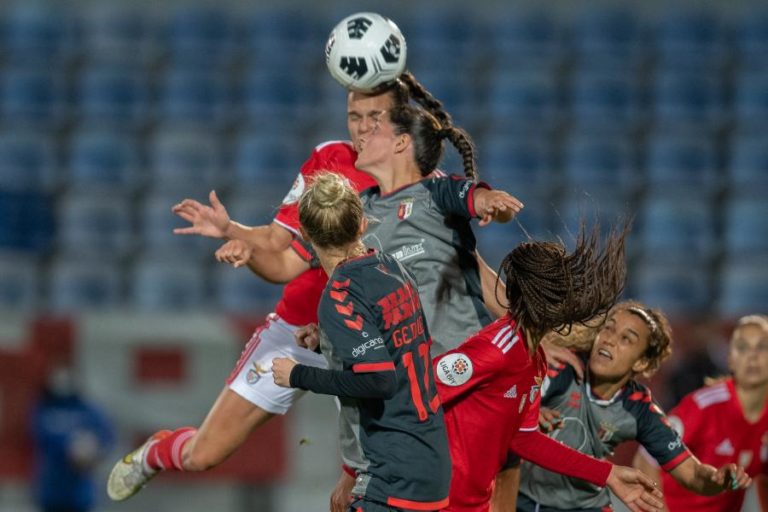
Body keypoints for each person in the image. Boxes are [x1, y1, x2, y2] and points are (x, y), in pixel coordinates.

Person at [105, 72, 522, 506]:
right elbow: (284, 256)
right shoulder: (334, 161)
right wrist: (238, 235)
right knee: (203, 454)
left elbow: (474, 270)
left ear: (398, 132)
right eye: (353, 116)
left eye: (373, 118)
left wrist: (531, 325)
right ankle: (159, 451)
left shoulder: (427, 188)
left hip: (363, 337)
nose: (361, 128)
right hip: (303, 329)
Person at [430, 224, 666, 512]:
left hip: (472, 505)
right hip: (433, 503)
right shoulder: (497, 349)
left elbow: (524, 439)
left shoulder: (535, 359)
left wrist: (607, 474)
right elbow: (417, 391)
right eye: (561, 288)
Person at [271, 173, 451, 511]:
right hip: (431, 462)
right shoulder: (392, 267)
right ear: (363, 224)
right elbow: (399, 341)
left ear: (306, 235)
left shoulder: (340, 294)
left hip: (393, 473)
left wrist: (297, 375)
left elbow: (380, 379)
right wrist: (328, 339)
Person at [514, 301, 751, 512]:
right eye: (609, 328)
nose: (609, 339)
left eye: (626, 338)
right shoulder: (563, 366)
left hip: (587, 506)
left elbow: (692, 473)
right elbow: (504, 410)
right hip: (523, 500)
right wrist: (528, 412)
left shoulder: (639, 409)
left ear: (642, 362)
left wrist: (718, 479)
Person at [633, 314, 768, 512]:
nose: (753, 356)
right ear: (730, 360)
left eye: (762, 347)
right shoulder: (703, 407)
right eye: (743, 347)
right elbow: (645, 460)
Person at [32, 365, 114, 512]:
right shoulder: (44, 408)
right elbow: (39, 436)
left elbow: (107, 437)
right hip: (51, 489)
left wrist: (93, 452)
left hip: (80, 492)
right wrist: (69, 446)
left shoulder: (88, 409)